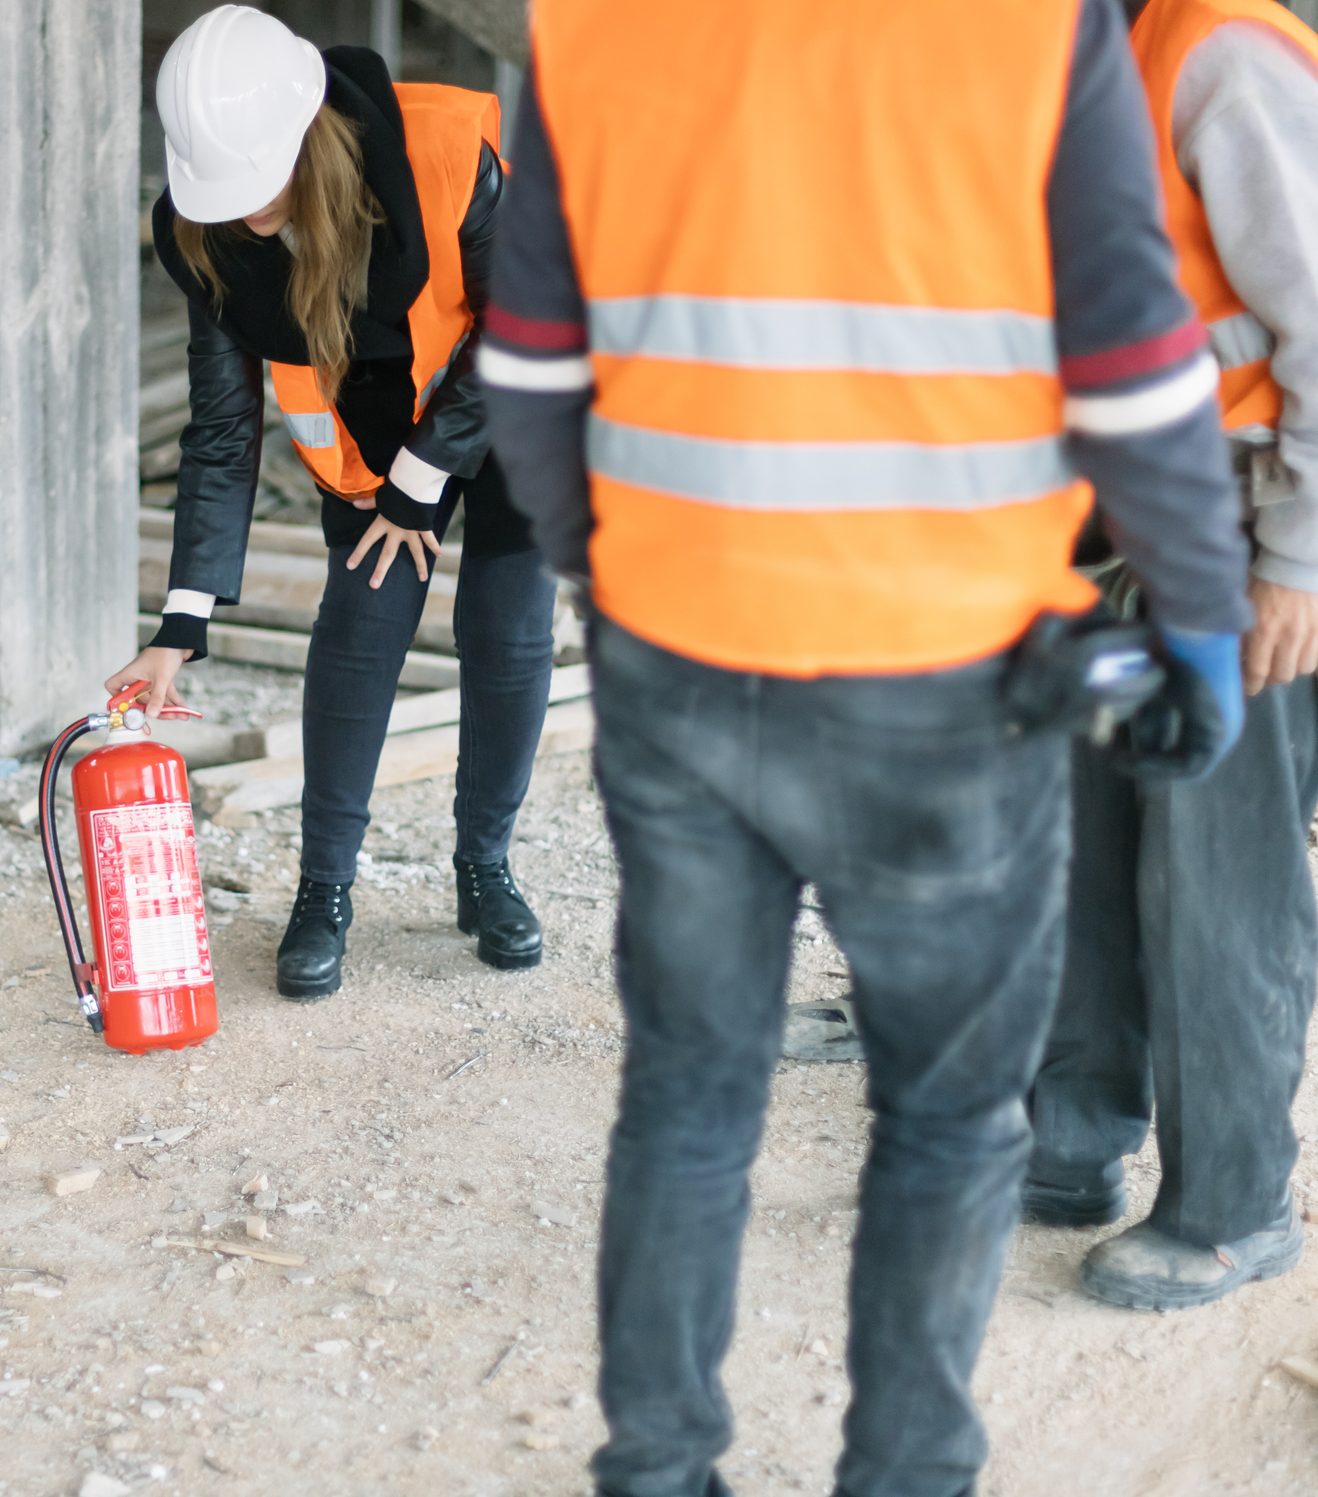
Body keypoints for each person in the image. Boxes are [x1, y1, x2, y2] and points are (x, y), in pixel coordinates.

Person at [483, 0, 1253, 1493]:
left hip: (674, 656)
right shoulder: (1031, 30)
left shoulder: (582, 29)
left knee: (689, 1093)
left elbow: (526, 372)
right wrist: (1200, 617)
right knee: (952, 1116)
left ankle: (653, 1469)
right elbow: (1134, 372)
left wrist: (608, 568)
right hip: (941, 683)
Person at [107, 4, 557, 1001]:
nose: (245, 213)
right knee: (357, 633)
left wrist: (423, 476)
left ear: (306, 130)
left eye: (258, 184)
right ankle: (323, 891)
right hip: (369, 432)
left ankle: (484, 870)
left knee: (510, 634)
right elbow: (222, 434)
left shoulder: (445, 152)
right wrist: (178, 626)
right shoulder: (207, 235)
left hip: (507, 407)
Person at [1024, 0, 1318, 1313]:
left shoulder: (1217, 56)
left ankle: (1231, 1203)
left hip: (1232, 547)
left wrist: (1295, 564)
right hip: (1095, 544)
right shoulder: (1046, 57)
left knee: (1210, 883)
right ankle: (1074, 1136)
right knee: (1080, 854)